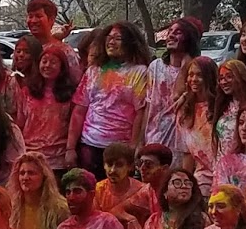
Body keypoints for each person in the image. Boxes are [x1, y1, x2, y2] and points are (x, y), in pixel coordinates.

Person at [66, 22, 150, 178]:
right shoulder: (93, 70)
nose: (111, 42)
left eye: (118, 38)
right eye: (109, 37)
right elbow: (79, 110)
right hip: (89, 144)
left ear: (130, 42)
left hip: (120, 147)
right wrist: (70, 148)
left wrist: (134, 146)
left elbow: (141, 113)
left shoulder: (139, 72)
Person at [140, 17, 202, 149]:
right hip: (155, 138)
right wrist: (140, 141)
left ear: (189, 39)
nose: (171, 35)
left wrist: (185, 68)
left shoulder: (197, 72)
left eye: (178, 32)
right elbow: (148, 106)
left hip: (183, 143)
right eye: (170, 31)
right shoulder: (155, 67)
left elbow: (179, 99)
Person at [18, 41, 76, 178]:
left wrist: (70, 150)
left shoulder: (70, 94)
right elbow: (20, 122)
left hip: (58, 157)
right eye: (44, 61)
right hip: (30, 154)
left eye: (53, 62)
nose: (47, 66)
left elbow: (73, 125)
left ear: (62, 67)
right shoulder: (27, 92)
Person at [7, 153, 68, 229]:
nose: (25, 177)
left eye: (31, 173)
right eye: (22, 173)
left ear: (44, 177)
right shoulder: (11, 206)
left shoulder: (60, 208)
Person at [94, 142, 154, 229]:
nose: (112, 170)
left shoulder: (142, 190)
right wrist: (129, 218)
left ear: (130, 167)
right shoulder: (99, 189)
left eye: (119, 165)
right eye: (109, 164)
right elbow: (96, 225)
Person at [173, 56, 218, 191]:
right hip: (201, 176)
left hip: (224, 173)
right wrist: (185, 183)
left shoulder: (221, 106)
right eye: (190, 75)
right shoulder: (184, 111)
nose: (193, 79)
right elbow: (187, 153)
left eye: (199, 75)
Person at [212, 59, 246, 156]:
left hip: (243, 163)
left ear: (241, 78)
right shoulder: (221, 106)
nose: (224, 82)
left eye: (229, 77)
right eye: (221, 78)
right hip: (222, 164)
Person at [26, 0, 78, 72]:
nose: (33, 21)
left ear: (51, 19)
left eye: (38, 16)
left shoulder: (64, 51)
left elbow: (75, 79)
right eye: (30, 16)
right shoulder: (24, 48)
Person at [8, 34, 42, 124]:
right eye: (18, 51)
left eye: (27, 52)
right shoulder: (9, 78)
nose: (21, 55)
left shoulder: (42, 82)